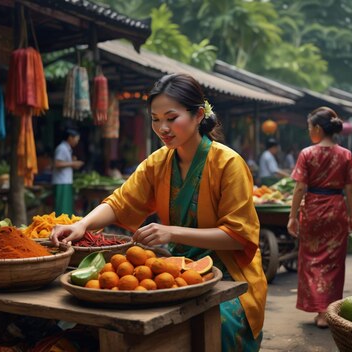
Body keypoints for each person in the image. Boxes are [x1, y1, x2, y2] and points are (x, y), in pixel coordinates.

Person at [50, 73, 267, 351]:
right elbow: (121, 202)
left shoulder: (228, 164)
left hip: (230, 274)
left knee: (215, 326)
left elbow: (239, 236)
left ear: (199, 115)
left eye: (171, 117)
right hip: (173, 268)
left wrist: (171, 232)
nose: (162, 127)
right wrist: (83, 225)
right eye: (155, 119)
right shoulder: (158, 162)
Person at [286, 106, 352, 329]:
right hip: (337, 210)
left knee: (311, 260)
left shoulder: (307, 154)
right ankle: (328, 310)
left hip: (313, 211)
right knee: (334, 262)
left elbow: (300, 188)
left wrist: (292, 216)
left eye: (310, 127)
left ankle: (320, 311)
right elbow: (351, 190)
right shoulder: (345, 155)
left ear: (318, 128)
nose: (309, 131)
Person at [52, 129, 84, 216]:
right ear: (70, 137)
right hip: (61, 182)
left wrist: (71, 161)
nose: (77, 142)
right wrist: (73, 163)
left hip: (65, 181)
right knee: (62, 208)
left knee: (66, 208)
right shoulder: (62, 148)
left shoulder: (67, 148)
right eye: (76, 139)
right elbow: (57, 163)